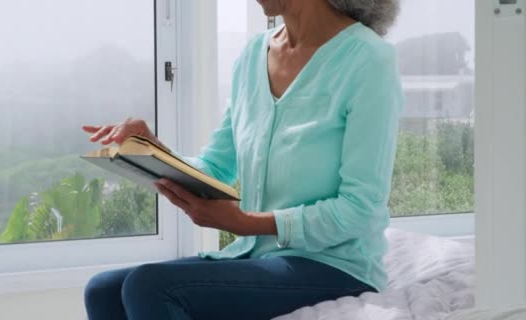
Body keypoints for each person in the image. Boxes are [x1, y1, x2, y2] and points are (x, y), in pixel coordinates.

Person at [82, 0, 403, 319]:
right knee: (102, 291)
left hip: (335, 266)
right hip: (258, 256)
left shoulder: (368, 61)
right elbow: (216, 167)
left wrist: (243, 223)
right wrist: (152, 150)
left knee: (149, 286)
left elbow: (360, 209)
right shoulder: (253, 56)